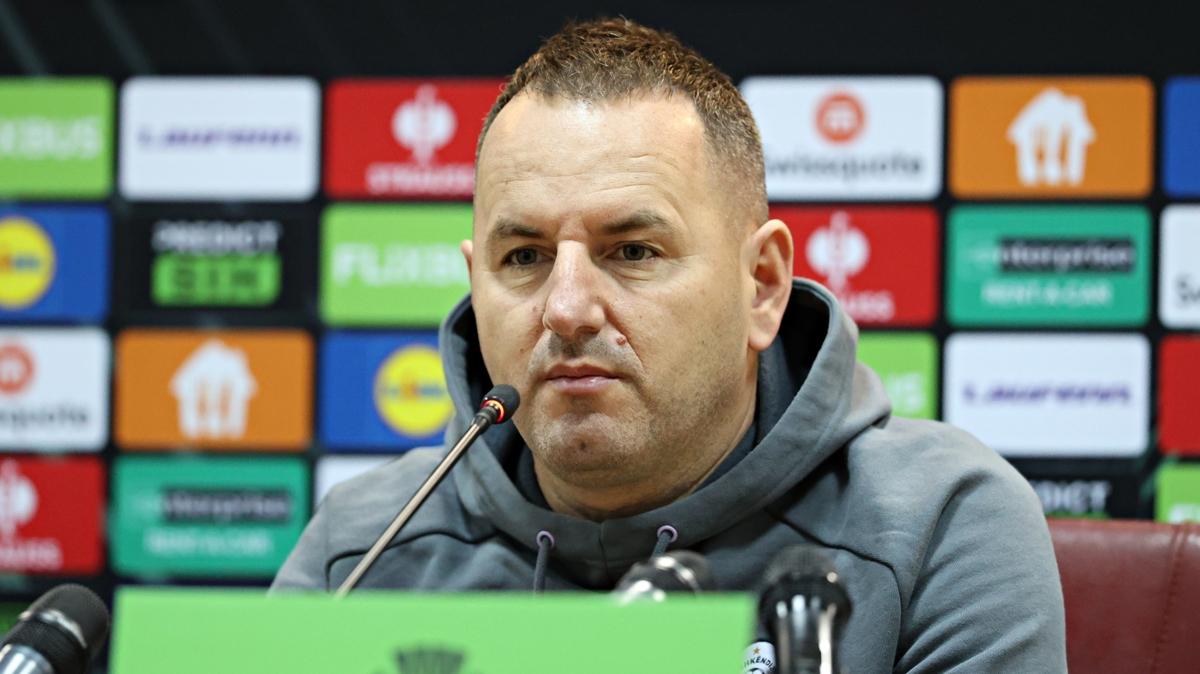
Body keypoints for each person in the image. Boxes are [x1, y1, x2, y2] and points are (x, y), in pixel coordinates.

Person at [274, 18, 1066, 671]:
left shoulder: (934, 527)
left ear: (762, 285)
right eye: (524, 257)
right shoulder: (364, 551)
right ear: (475, 283)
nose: (567, 309)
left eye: (633, 251)